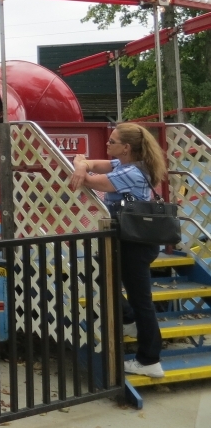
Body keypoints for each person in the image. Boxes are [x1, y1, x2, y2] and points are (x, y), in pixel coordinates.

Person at [69, 122, 167, 378]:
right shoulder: (125, 165)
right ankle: (129, 319)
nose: (107, 144)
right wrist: (82, 163)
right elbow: (92, 165)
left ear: (125, 147)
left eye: (112, 142)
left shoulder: (131, 173)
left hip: (135, 243)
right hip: (130, 239)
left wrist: (83, 168)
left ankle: (150, 359)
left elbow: (91, 181)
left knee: (141, 299)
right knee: (98, 272)